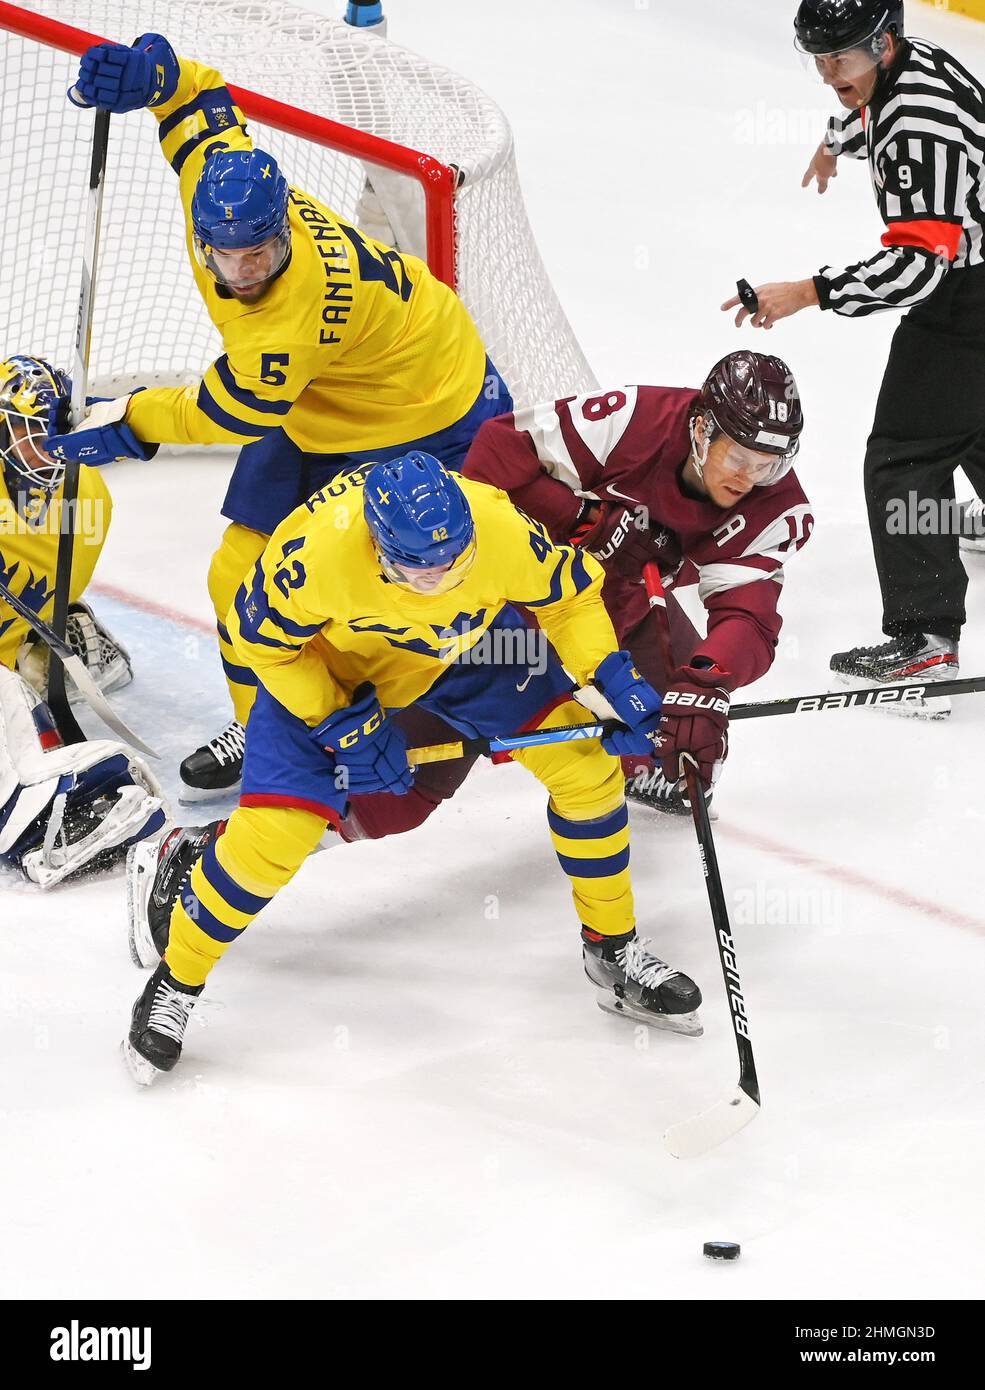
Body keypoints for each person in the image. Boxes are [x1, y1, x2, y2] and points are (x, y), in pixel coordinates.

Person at [122, 453, 705, 1084]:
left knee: (587, 770)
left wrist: (613, 677)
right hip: (337, 675)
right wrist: (337, 720)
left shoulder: (496, 524)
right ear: (376, 541)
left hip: (475, 649)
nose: (437, 577)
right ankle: (176, 980)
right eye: (417, 568)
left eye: (453, 561)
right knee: (272, 841)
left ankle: (612, 950)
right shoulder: (315, 555)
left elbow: (566, 601)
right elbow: (264, 644)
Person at [50, 33, 512, 799]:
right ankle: (265, 732)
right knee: (238, 571)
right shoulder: (228, 188)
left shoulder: (287, 328)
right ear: (206, 235)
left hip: (417, 407)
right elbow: (199, 100)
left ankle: (347, 720)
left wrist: (128, 423)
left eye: (261, 252)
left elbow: (221, 410)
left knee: (372, 583)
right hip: (349, 384)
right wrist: (152, 73)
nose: (246, 271)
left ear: (282, 231)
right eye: (228, 255)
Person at [721, 0, 985, 714]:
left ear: (882, 42)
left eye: (839, 58)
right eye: (818, 57)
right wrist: (837, 141)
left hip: (968, 298)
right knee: (966, 422)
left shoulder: (914, 128)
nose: (827, 72)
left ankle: (924, 640)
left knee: (905, 455)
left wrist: (806, 292)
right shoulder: (903, 65)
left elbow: (916, 272)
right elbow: (869, 105)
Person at [463, 351, 812, 812]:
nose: (750, 478)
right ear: (704, 430)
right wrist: (583, 518)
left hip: (617, 601)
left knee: (682, 744)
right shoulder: (631, 421)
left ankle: (626, 752)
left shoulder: (774, 504)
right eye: (741, 457)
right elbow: (494, 453)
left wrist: (707, 680)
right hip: (511, 589)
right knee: (415, 777)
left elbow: (750, 619)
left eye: (768, 464)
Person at [0, 356, 165, 887]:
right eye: (29, 435)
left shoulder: (85, 496)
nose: (45, 450)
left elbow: (55, 574)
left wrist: (50, 618)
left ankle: (53, 637)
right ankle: (27, 819)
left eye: (55, 433)